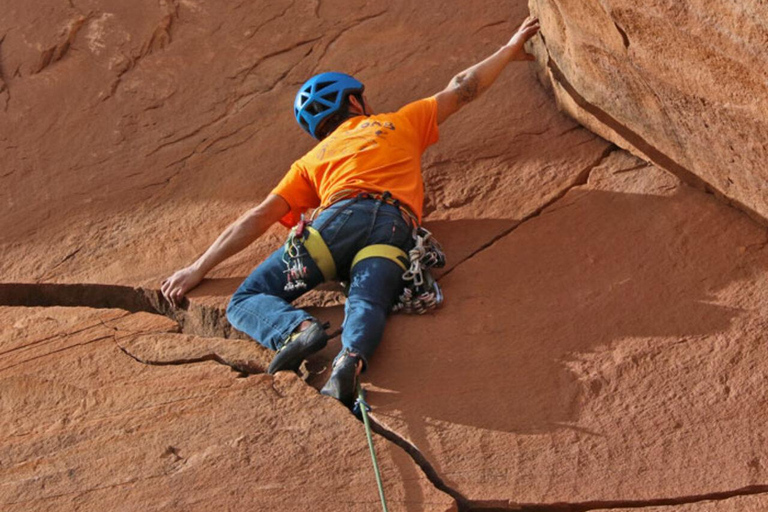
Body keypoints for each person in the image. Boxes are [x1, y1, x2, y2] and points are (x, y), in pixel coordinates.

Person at [161, 16, 541, 407]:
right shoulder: (396, 123)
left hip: (337, 223)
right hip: (396, 230)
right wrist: (510, 47)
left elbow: (257, 217)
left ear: (317, 128)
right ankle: (350, 360)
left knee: (246, 299)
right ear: (355, 102)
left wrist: (198, 268)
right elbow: (463, 87)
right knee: (368, 301)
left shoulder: (310, 161)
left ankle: (298, 332)